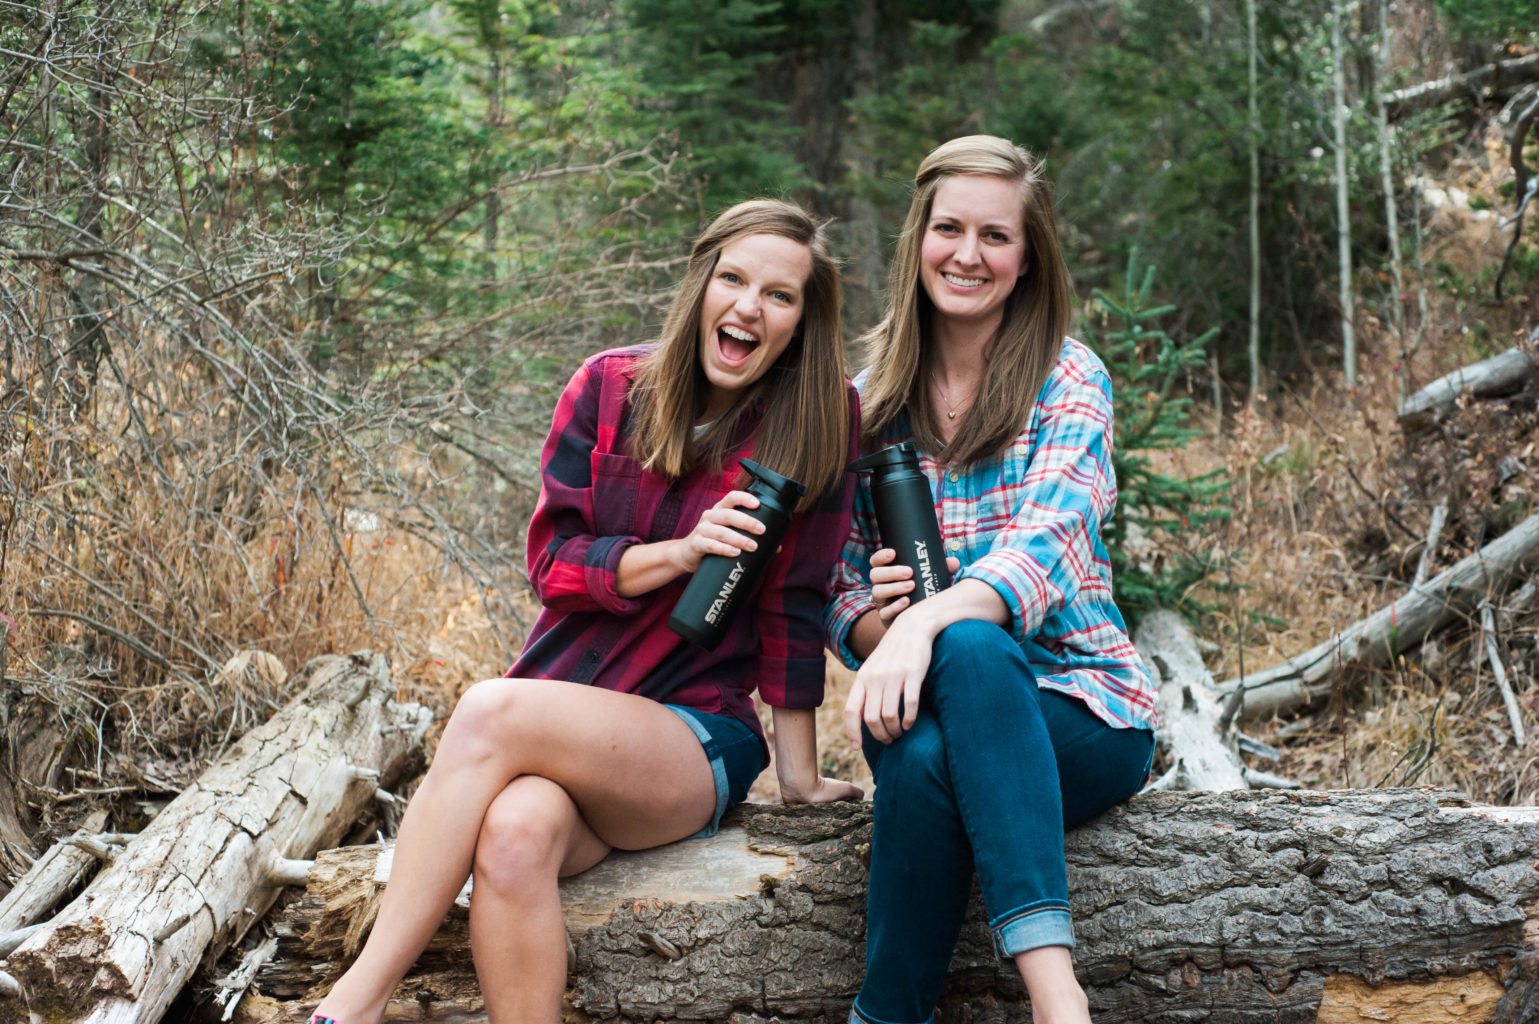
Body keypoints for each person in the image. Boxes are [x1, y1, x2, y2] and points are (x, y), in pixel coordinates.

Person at [309, 199, 863, 1024]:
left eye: (779, 296)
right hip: (562, 708)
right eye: (734, 279)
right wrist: (676, 556)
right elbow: (552, 565)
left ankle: (356, 998)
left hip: (691, 734)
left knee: (488, 707)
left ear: (800, 322)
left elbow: (794, 600)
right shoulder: (608, 387)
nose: (749, 306)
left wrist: (797, 773)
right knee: (515, 832)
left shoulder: (817, 422)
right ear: (700, 282)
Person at [825, 136, 1158, 1024]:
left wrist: (920, 626)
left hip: (1084, 708)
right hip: (919, 708)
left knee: (961, 668)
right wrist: (878, 626)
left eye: (995, 237)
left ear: (1025, 257)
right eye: (948, 229)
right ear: (917, 240)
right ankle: (1055, 1002)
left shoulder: (1067, 378)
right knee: (937, 719)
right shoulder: (865, 402)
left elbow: (1040, 553)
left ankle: (1005, 1004)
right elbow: (837, 583)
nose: (967, 255)